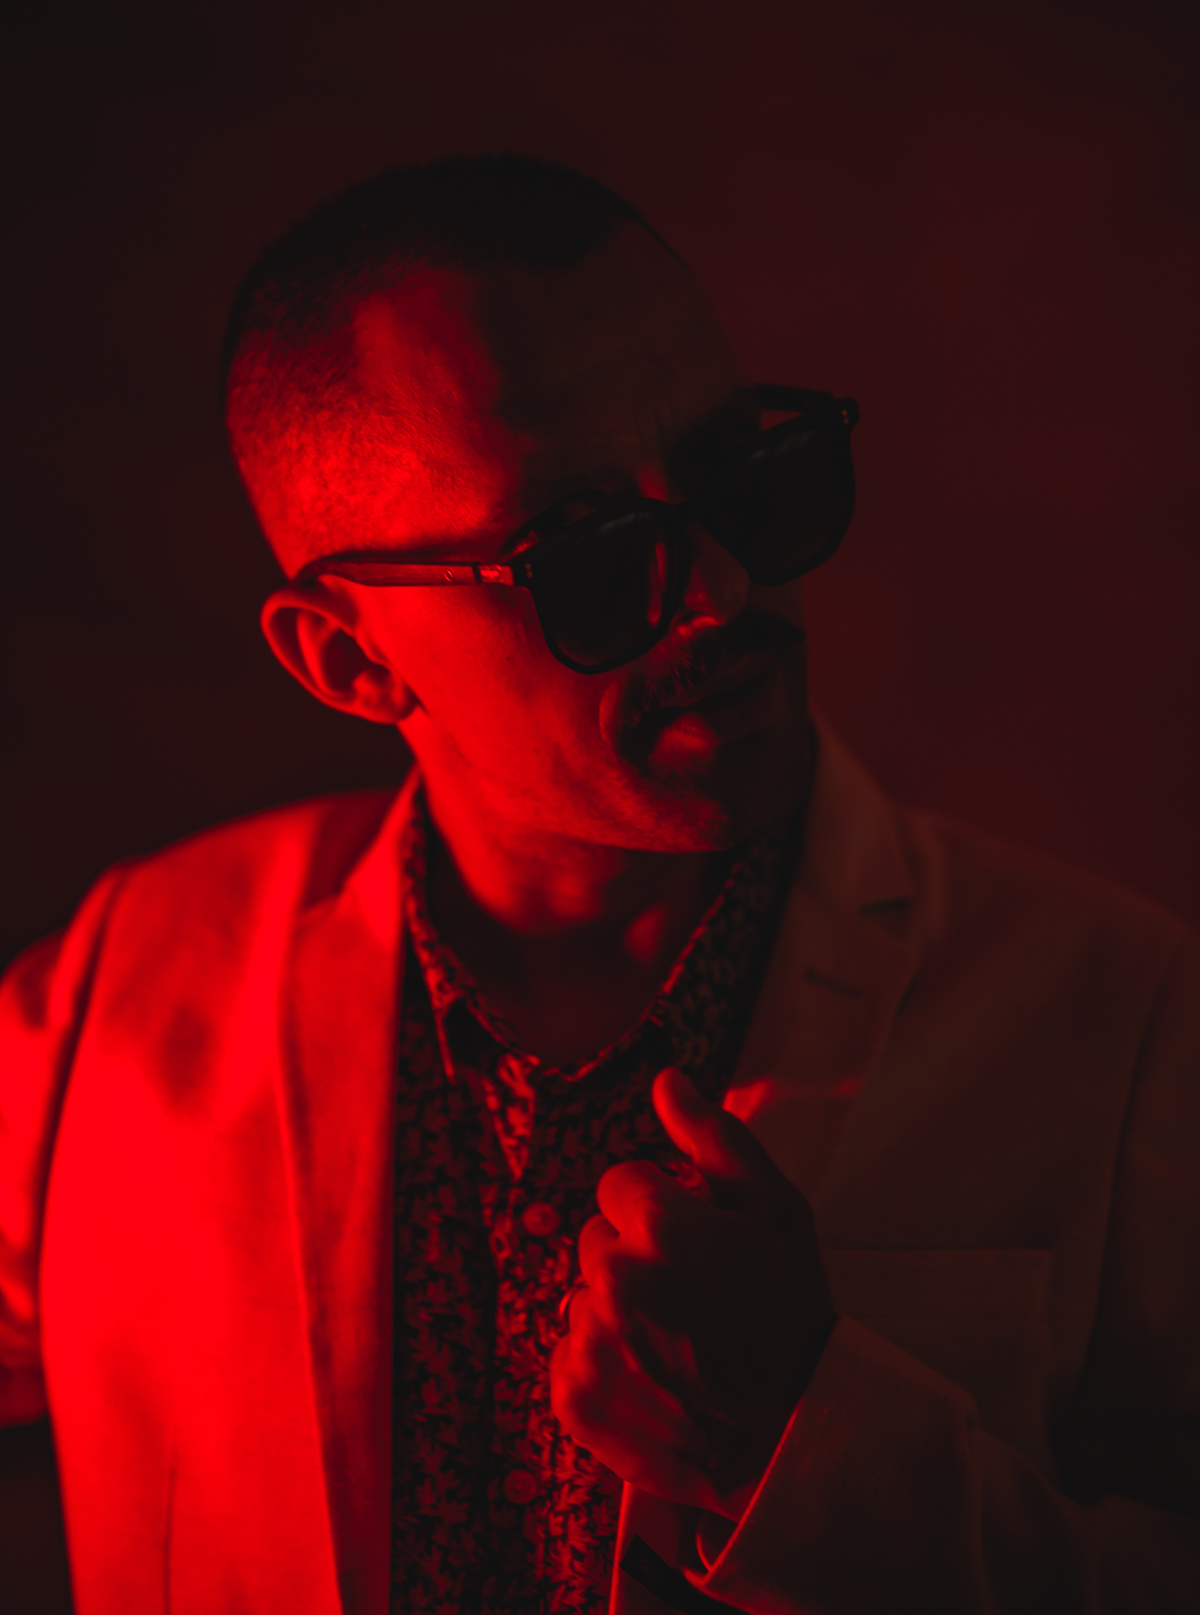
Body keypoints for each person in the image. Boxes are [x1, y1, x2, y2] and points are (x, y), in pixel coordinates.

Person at [0, 154, 1196, 1615]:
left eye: (749, 478)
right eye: (586, 555)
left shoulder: (1123, 1020)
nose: (722, 591)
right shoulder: (120, 1004)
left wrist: (808, 1460)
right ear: (348, 658)